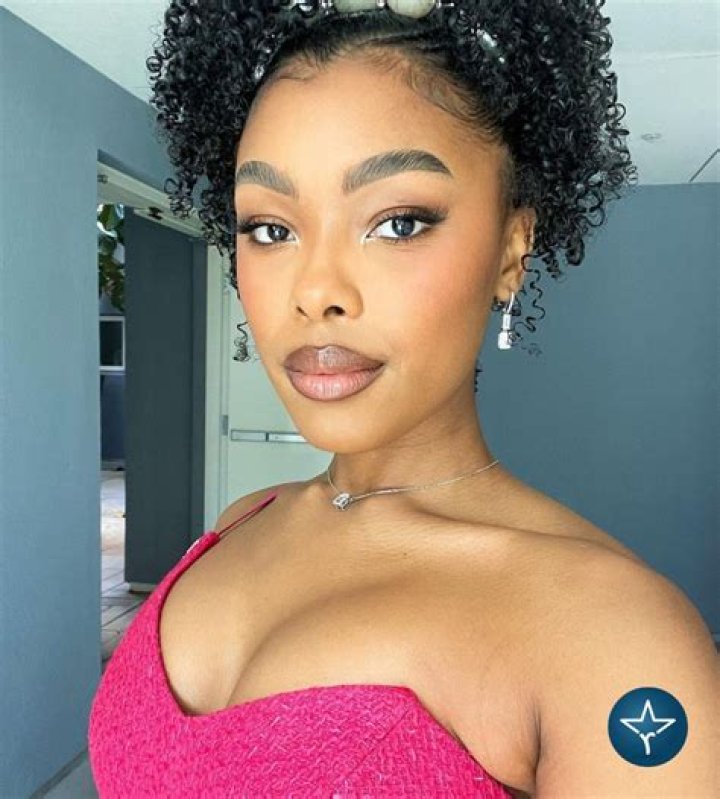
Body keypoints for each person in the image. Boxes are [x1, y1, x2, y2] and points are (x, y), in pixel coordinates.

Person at [88, 1, 719, 797]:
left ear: (511, 249)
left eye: (397, 223)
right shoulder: (240, 521)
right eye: (271, 229)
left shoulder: (618, 639)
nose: (315, 289)